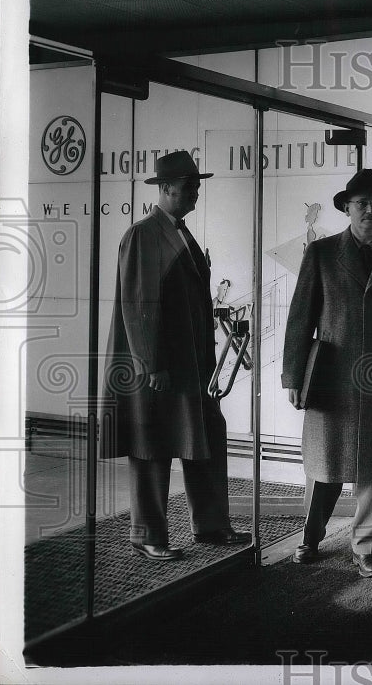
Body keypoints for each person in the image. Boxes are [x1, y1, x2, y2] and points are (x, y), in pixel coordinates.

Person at [100, 151, 250, 561]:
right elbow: (138, 305)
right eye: (189, 187)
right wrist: (152, 364)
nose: (196, 194)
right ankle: (147, 534)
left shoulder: (178, 233)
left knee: (204, 437)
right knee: (152, 447)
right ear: (165, 189)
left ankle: (211, 525)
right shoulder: (143, 234)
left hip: (189, 366)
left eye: (197, 187)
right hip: (160, 369)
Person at [282, 168, 372, 577]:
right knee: (324, 466)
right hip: (331, 376)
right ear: (346, 208)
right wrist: (293, 377)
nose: (371, 211)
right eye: (362, 204)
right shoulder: (322, 253)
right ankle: (310, 538)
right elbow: (299, 319)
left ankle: (366, 550)